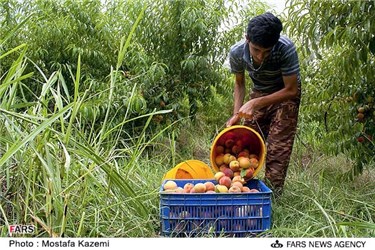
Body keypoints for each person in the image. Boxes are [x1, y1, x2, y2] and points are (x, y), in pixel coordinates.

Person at [226, 12, 301, 196]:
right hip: (259, 91)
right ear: (247, 39)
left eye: (267, 51)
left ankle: (273, 196)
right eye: (256, 50)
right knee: (247, 143)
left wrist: (256, 102)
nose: (261, 56)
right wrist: (237, 114)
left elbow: (292, 90)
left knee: (278, 148)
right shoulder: (237, 52)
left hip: (285, 95)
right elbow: (239, 83)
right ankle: (244, 191)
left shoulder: (285, 48)